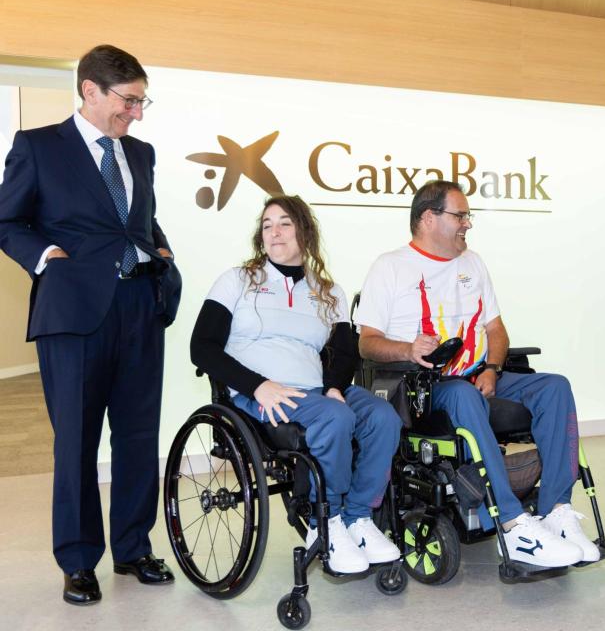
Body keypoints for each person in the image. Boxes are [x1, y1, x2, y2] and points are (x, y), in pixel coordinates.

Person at [0, 44, 182, 605]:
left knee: (136, 437)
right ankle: (78, 560)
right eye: (129, 100)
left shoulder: (142, 153)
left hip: (138, 310)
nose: (138, 112)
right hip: (74, 313)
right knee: (77, 441)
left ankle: (133, 548)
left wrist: (163, 258)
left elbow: (142, 221)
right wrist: (46, 255)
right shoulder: (38, 147)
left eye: (142, 100)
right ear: (90, 90)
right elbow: (8, 220)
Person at [354, 180, 600, 568]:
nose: (468, 223)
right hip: (425, 386)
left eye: (468, 215)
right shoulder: (391, 266)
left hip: (478, 374)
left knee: (555, 386)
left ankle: (556, 511)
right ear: (428, 218)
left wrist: (492, 367)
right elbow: (366, 343)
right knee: (464, 396)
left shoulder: (473, 262)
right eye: (461, 215)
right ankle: (512, 522)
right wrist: (407, 349)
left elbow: (496, 330)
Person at [190, 194, 401, 574]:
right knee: (335, 419)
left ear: (304, 231)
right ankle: (327, 521)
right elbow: (202, 348)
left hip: (317, 391)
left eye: (285, 223)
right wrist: (257, 386)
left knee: (384, 417)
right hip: (261, 394)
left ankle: (358, 518)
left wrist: (336, 385)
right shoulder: (237, 281)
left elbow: (344, 350)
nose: (274, 231)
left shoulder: (328, 291)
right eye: (267, 224)